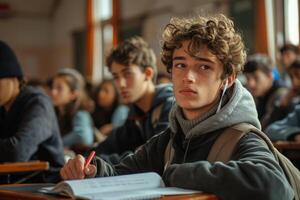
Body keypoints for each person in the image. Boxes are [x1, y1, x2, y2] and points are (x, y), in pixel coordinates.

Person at [60, 15, 293, 200]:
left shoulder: (242, 137)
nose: (188, 77)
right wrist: (93, 171)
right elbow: (124, 173)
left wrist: (177, 173)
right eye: (180, 65)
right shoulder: (169, 139)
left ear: (228, 78)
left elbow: (272, 186)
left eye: (203, 67)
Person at [92, 36, 174, 164]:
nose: (121, 84)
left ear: (148, 74)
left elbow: (153, 157)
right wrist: (83, 161)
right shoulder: (135, 114)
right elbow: (106, 147)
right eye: (116, 77)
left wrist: (99, 163)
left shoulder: (170, 106)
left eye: (127, 74)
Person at [0, 40, 64, 183]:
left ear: (14, 77)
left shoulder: (38, 103)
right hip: (13, 181)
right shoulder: (3, 106)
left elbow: (17, 151)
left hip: (46, 184)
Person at [51, 68, 95, 148]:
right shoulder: (55, 113)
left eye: (59, 88)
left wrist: (55, 143)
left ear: (73, 94)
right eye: (53, 87)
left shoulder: (80, 114)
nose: (53, 92)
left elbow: (84, 137)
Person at [243, 54, 288, 129]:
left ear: (270, 76)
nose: (251, 84)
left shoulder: (281, 95)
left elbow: (264, 128)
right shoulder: (258, 94)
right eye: (248, 78)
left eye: (256, 77)